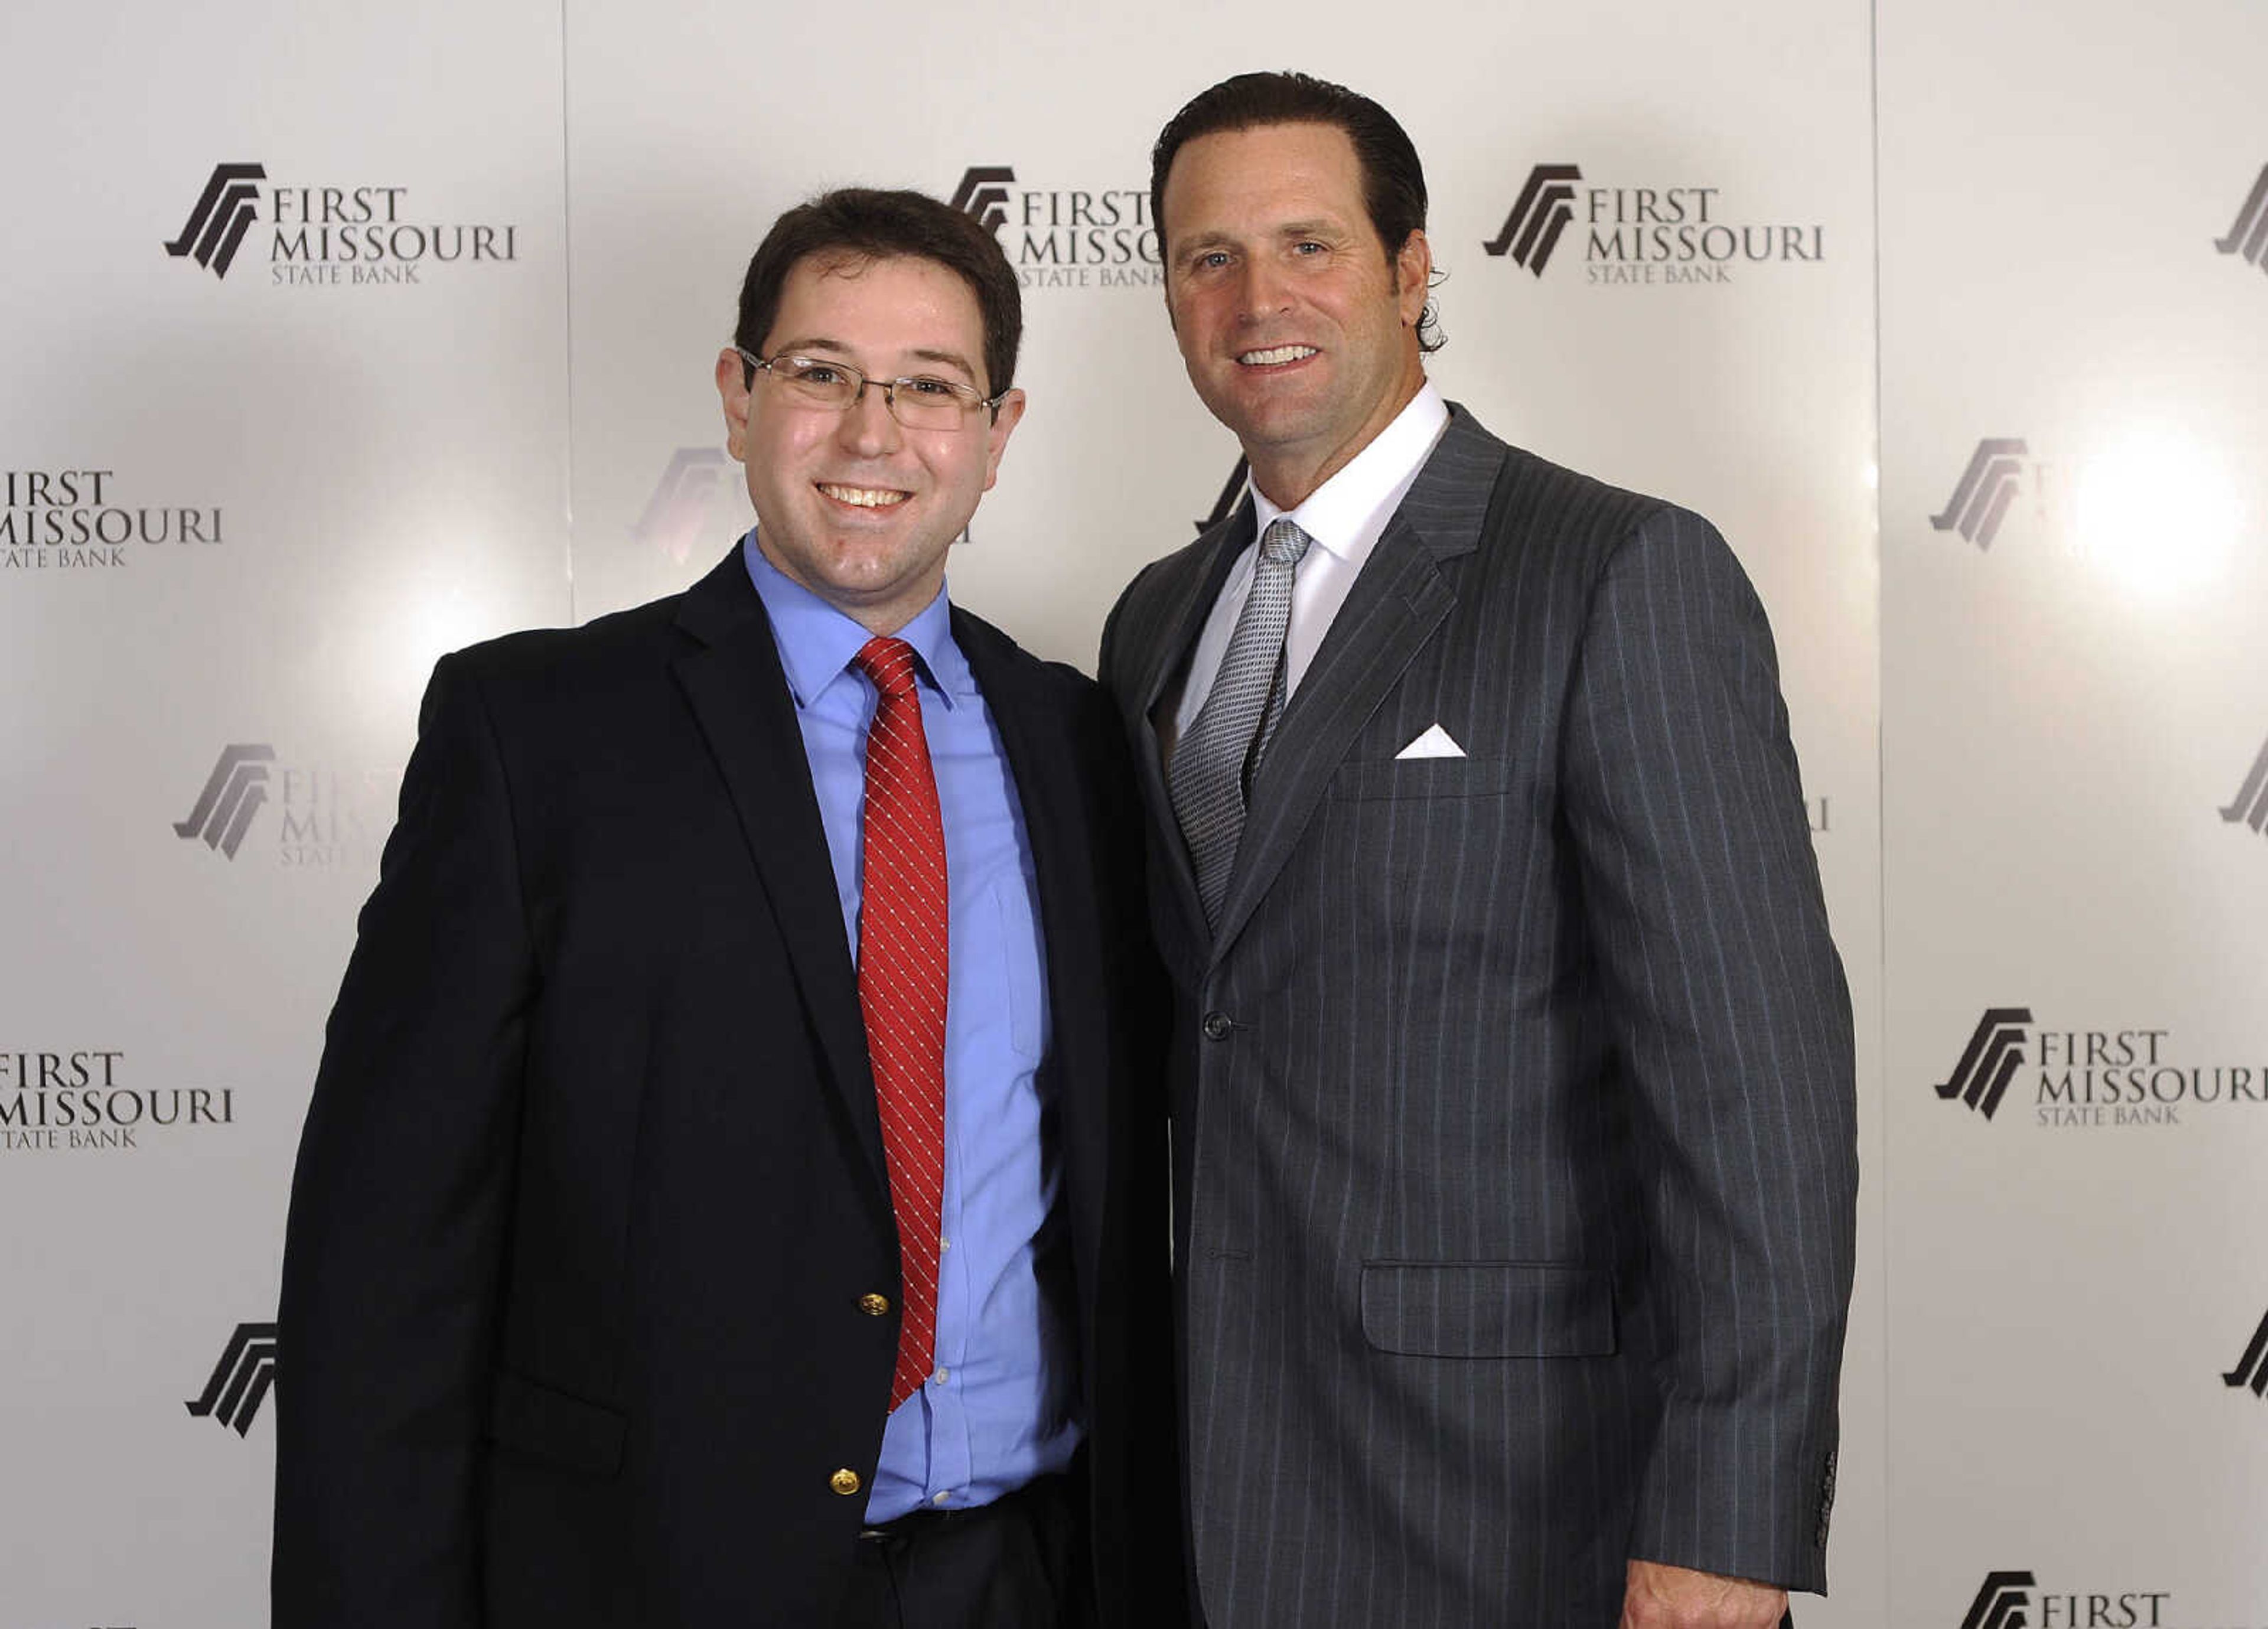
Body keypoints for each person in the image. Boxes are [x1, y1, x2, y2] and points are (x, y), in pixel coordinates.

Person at [275, 187, 1180, 1629]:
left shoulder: (1080, 743)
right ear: (739, 395)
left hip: (1030, 1572)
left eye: (930, 388)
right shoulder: (535, 734)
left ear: (999, 436)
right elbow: (387, 1266)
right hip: (653, 1577)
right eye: (819, 373)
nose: (873, 435)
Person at [1098, 71, 1859, 1629]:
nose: (1259, 299)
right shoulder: (1156, 619)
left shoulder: (1617, 573)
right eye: (1208, 258)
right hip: (1215, 1482)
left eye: (1308, 242)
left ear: (1413, 267)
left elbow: (1754, 1095)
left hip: (1522, 1501)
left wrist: (1725, 1521)